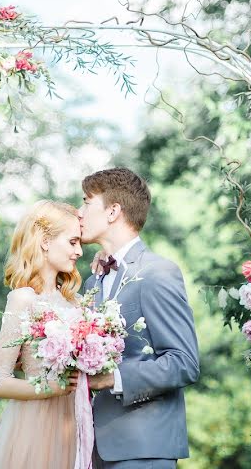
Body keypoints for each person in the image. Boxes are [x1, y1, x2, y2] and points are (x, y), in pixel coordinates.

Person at [79, 168, 200, 468]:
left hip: (143, 450)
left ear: (113, 211)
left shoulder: (157, 273)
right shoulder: (91, 282)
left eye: (85, 202)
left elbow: (184, 363)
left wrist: (112, 378)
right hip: (91, 448)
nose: (78, 213)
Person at [0, 200, 84, 469]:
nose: (80, 251)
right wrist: (52, 388)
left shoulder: (78, 303)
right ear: (45, 241)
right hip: (35, 426)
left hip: (78, 424)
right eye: (73, 242)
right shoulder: (22, 300)